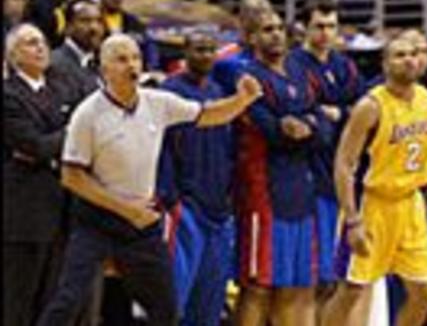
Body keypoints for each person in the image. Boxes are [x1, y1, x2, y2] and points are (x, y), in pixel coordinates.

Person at [35, 34, 261, 326]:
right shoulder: (88, 114)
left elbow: (208, 115)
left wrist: (242, 100)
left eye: (136, 58)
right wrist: (127, 210)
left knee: (166, 310)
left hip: (141, 226)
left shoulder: (157, 102)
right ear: (104, 69)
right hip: (96, 222)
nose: (132, 65)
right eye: (121, 59)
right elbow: (72, 177)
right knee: (67, 301)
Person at [321, 33, 427, 326]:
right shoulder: (370, 106)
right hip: (372, 205)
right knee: (351, 289)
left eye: (413, 54)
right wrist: (352, 221)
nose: (409, 60)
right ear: (385, 64)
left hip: (410, 203)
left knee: (423, 290)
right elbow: (344, 164)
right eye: (399, 55)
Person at [234, 10, 329, 326]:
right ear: (251, 38)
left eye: (279, 28)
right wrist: (297, 126)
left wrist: (304, 126)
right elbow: (272, 132)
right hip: (263, 193)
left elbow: (324, 130)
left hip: (300, 191)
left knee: (294, 286)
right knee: (257, 287)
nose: (276, 34)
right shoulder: (248, 78)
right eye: (266, 29)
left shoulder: (300, 73)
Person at [155, 29, 237, 326]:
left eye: (211, 49)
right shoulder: (168, 91)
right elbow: (160, 149)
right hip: (185, 207)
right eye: (199, 49)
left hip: (218, 208)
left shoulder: (219, 92)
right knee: (175, 298)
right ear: (185, 53)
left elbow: (229, 149)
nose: (206, 55)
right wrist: (170, 197)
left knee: (210, 299)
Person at [287, 0, 362, 301]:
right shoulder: (293, 65)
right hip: (308, 172)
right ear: (304, 28)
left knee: (341, 276)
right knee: (314, 274)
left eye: (331, 27)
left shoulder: (344, 65)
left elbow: (361, 107)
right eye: (319, 26)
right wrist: (336, 113)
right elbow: (306, 109)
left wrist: (338, 113)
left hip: (342, 170)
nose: (326, 33)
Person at [3, 24, 75, 326]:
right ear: (13, 55)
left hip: (63, 208)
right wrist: (70, 132)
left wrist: (51, 144)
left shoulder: (61, 89)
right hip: (24, 214)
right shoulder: (8, 95)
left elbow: (46, 146)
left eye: (43, 42)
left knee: (53, 300)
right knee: (19, 300)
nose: (41, 47)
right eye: (31, 43)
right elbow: (34, 146)